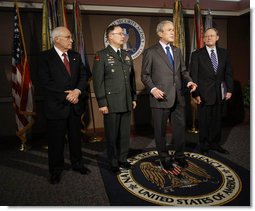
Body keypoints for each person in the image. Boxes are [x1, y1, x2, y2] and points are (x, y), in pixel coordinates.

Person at [37, 26, 90, 184]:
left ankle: (77, 164)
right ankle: (56, 170)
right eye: (68, 37)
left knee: (75, 138)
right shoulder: (44, 57)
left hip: (75, 106)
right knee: (56, 142)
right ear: (56, 39)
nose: (71, 40)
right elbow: (45, 83)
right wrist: (68, 95)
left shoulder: (75, 56)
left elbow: (83, 76)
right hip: (56, 106)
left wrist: (78, 91)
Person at [141, 20, 197, 170]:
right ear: (160, 33)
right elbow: (145, 75)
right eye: (169, 30)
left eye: (173, 29)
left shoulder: (177, 51)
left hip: (179, 96)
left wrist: (189, 81)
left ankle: (180, 156)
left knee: (180, 129)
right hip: (161, 97)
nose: (173, 32)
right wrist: (153, 89)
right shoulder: (151, 52)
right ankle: (164, 158)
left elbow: (184, 72)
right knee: (160, 131)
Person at [92, 25, 137, 174]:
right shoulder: (101, 55)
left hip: (126, 100)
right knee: (112, 134)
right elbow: (98, 81)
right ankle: (113, 162)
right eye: (119, 34)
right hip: (111, 103)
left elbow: (131, 79)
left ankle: (122, 159)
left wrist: (134, 97)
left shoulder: (126, 55)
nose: (123, 36)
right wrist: (102, 102)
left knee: (124, 134)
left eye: (123, 34)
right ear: (110, 36)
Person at [189, 27, 233, 155]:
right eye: (207, 36)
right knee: (204, 121)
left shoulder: (224, 53)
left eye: (212, 36)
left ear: (217, 38)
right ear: (203, 39)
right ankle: (204, 145)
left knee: (217, 121)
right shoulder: (197, 54)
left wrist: (229, 90)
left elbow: (228, 73)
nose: (209, 38)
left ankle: (215, 144)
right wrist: (195, 94)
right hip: (203, 94)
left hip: (220, 93)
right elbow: (194, 76)